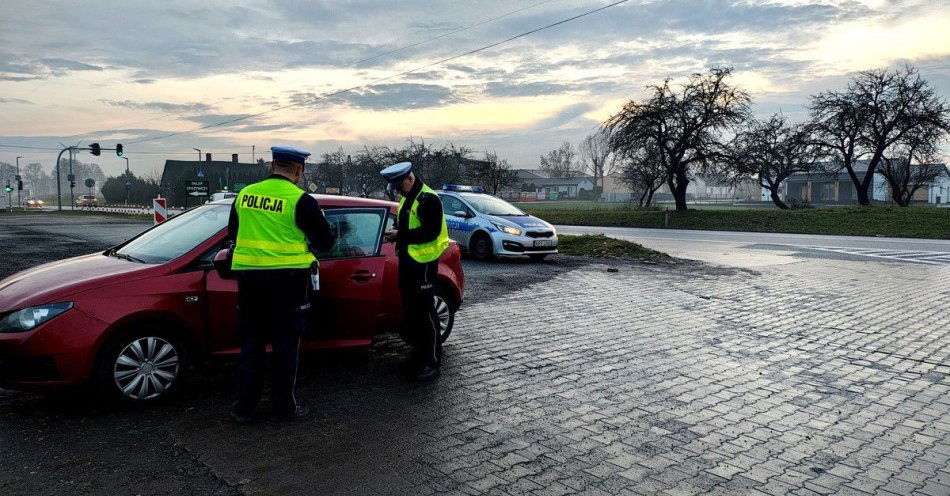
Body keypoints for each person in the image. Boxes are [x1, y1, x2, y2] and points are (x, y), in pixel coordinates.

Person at [227, 146, 336, 423]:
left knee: (251, 346)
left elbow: (233, 235)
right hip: (288, 284)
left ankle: (244, 410)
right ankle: (284, 408)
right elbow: (325, 242)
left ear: (272, 164)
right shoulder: (301, 200)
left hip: (250, 283)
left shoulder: (244, 196)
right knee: (285, 347)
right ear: (298, 170)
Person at [380, 162, 450, 381]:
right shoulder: (407, 198)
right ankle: (418, 355)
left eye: (400, 186)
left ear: (409, 178)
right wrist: (398, 233)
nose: (398, 191)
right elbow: (408, 227)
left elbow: (430, 232)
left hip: (425, 265)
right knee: (412, 313)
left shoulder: (428, 199)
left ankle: (431, 361)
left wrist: (400, 236)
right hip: (409, 263)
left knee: (426, 314)